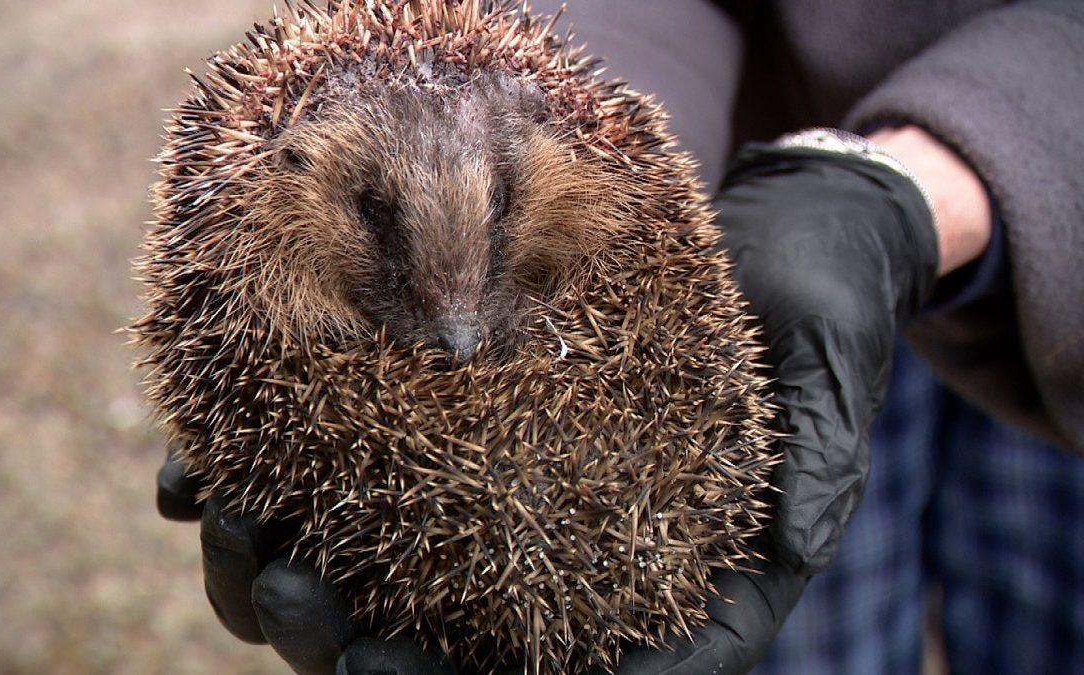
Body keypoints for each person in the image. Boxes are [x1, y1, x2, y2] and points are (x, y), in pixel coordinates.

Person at [156, 1, 1084, 672]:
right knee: (797, 607)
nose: (457, 330)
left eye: (505, 200)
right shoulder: (277, 208)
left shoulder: (549, 174)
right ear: (294, 166)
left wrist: (925, 182)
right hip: (753, 213)